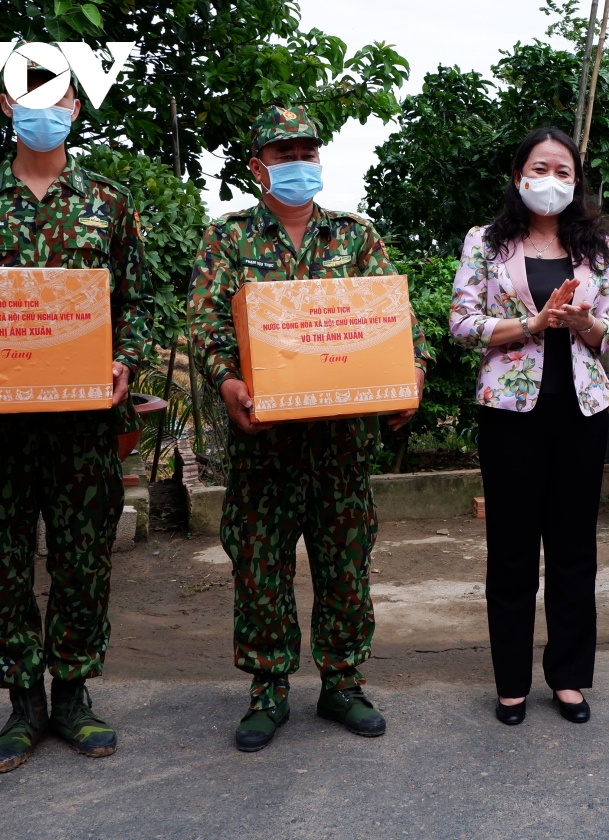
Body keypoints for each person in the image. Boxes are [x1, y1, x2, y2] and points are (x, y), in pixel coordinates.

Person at [0, 51, 149, 772]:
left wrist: (125, 361)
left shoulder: (108, 201)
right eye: (29, 94)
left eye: (59, 94)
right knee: (0, 563)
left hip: (81, 428)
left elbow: (134, 305)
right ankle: (22, 703)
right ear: (8, 107)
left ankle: (72, 695)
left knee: (82, 560)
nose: (45, 106)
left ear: (75, 106)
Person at [188, 106, 430, 752]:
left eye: (308, 152)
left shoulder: (356, 237)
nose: (298, 163)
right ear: (257, 166)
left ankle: (343, 683)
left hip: (341, 443)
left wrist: (412, 371)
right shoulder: (228, 240)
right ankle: (267, 689)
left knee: (345, 563)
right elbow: (208, 325)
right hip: (264, 443)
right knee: (261, 567)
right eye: (283, 152)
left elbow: (398, 318)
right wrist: (226, 381)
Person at [450, 127, 609, 725]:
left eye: (564, 171)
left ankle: (570, 678)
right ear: (519, 174)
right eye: (541, 168)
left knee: (575, 548)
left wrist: (581, 323)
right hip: (510, 415)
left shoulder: (594, 244)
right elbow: (463, 323)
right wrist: (531, 324)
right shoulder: (485, 242)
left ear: (576, 182)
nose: (552, 180)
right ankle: (512, 683)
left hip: (582, 411)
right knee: (514, 550)